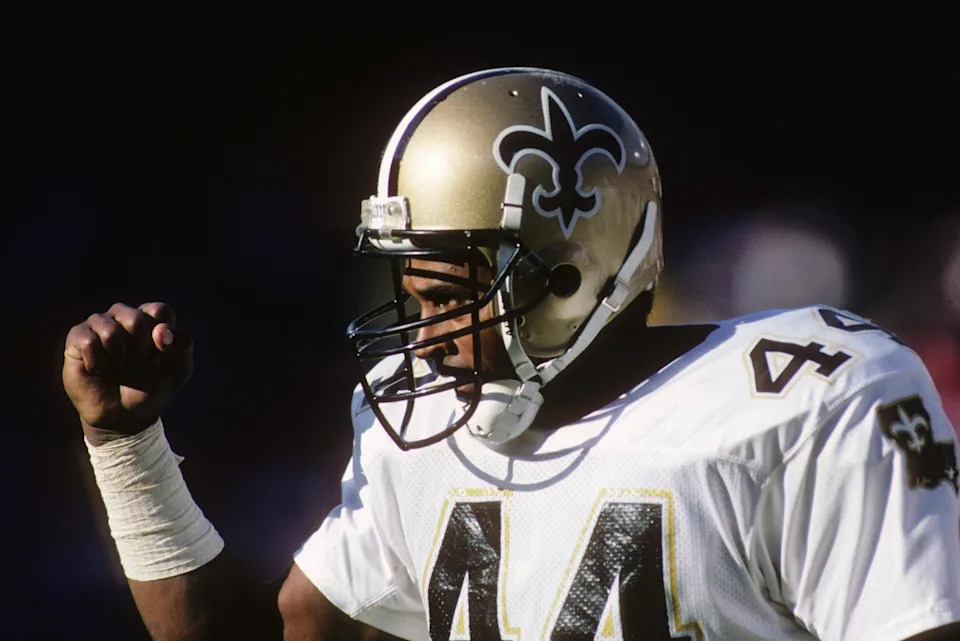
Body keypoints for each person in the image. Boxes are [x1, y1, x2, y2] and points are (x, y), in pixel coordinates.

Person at [63, 67, 960, 641]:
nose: (424, 336)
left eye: (449, 298)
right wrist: (131, 447)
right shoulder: (426, 428)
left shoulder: (809, 398)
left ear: (572, 274)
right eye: (411, 297)